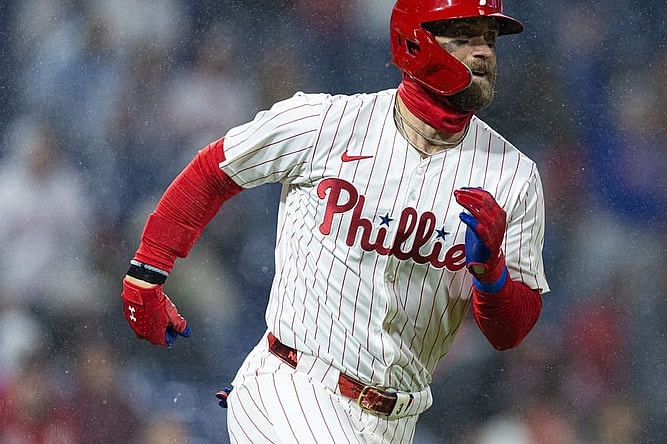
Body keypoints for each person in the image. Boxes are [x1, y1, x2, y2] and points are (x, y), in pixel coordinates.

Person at [120, 0, 549, 442]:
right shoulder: (327, 123)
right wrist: (147, 273)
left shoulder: (513, 176)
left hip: (397, 418)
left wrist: (491, 274)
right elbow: (214, 171)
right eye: (463, 37)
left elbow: (511, 331)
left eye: (490, 39)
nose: (484, 52)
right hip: (292, 384)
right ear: (415, 40)